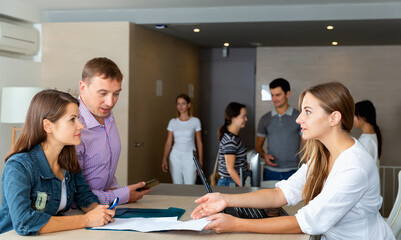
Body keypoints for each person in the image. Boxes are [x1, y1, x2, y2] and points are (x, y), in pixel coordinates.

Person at [191, 82, 394, 240]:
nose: (298, 120)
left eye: (308, 111)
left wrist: (234, 224)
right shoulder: (321, 155)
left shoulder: (353, 166)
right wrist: (225, 199)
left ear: (333, 118)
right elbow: (281, 194)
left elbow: (305, 223)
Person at [0, 90, 115, 235]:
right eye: (72, 119)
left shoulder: (68, 159)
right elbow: (24, 222)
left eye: (79, 118)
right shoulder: (19, 167)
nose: (81, 125)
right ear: (48, 126)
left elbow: (83, 195)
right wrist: (86, 220)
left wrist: (99, 212)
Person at [76, 57, 150, 205]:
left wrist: (117, 192)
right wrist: (122, 195)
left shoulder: (107, 115)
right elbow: (74, 195)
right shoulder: (73, 126)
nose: (110, 102)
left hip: (108, 207)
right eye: (103, 93)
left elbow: (104, 168)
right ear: (83, 88)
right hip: (81, 213)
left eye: (116, 93)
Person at [255, 78, 301, 181]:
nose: (274, 98)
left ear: (287, 94)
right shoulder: (265, 119)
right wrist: (264, 155)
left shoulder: (299, 117)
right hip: (270, 172)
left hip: (294, 171)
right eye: (272, 95)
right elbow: (258, 146)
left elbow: (307, 145)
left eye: (278, 95)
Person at [161, 94, 203, 184]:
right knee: (177, 185)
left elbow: (199, 142)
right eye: (178, 104)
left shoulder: (195, 121)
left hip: (190, 156)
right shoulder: (173, 122)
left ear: (189, 105)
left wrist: (200, 161)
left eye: (183, 103)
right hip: (175, 156)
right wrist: (164, 158)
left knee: (190, 184)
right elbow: (168, 143)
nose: (180, 106)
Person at [216, 102, 248, 187]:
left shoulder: (234, 137)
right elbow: (230, 169)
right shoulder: (230, 140)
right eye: (243, 116)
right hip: (230, 182)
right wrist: (244, 186)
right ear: (233, 118)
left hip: (232, 181)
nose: (246, 119)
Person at [354, 100, 382, 168]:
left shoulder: (367, 141)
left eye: (354, 115)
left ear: (363, 117)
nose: (353, 119)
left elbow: (363, 167)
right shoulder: (369, 137)